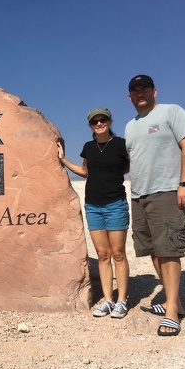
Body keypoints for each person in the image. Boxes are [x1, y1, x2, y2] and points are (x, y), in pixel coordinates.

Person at [125, 74, 185, 337]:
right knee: (153, 250)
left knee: (168, 250)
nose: (140, 93)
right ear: (129, 96)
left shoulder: (172, 112)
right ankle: (174, 302)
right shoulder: (130, 126)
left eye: (144, 88)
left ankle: (170, 315)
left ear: (154, 91)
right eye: (135, 90)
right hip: (139, 194)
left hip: (166, 191)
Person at [58, 107, 130, 319]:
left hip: (116, 203)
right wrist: (63, 160)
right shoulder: (88, 147)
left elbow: (127, 167)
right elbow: (85, 171)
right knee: (102, 255)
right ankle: (108, 300)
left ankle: (122, 300)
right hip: (93, 206)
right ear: (90, 125)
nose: (99, 124)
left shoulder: (120, 144)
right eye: (95, 121)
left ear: (110, 121)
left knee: (118, 253)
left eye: (103, 120)